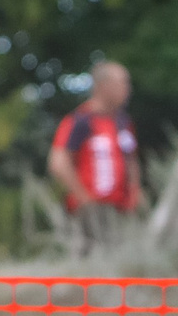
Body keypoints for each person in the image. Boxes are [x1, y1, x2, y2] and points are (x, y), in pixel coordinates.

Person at [47, 62, 143, 234]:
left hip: (120, 209)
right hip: (89, 210)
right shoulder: (80, 121)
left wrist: (134, 191)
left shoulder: (123, 122)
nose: (127, 89)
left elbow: (131, 159)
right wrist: (83, 197)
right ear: (103, 86)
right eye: (122, 83)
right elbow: (58, 163)